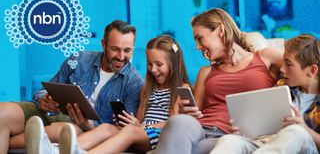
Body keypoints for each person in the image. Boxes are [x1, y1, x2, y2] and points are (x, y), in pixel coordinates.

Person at [25, 35, 191, 154]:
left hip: (159, 135)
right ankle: (58, 150)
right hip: (140, 132)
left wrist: (141, 127)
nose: (153, 70)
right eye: (150, 64)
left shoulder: (181, 88)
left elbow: (175, 123)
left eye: (159, 64)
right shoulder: (147, 88)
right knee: (106, 128)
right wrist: (133, 122)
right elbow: (139, 119)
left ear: (174, 64)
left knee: (130, 132)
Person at [151, 8, 283, 154]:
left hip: (229, 136)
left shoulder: (266, 58)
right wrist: (184, 111)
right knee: (178, 121)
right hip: (199, 128)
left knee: (199, 149)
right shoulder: (206, 72)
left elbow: (301, 69)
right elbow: (195, 113)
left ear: (220, 30)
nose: (197, 47)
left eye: (199, 38)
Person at [0, 20, 144, 153]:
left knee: (64, 130)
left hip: (80, 129)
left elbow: (120, 131)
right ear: (103, 44)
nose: (120, 56)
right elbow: (45, 89)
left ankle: (13, 142)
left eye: (127, 50)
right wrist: (43, 99)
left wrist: (88, 125)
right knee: (3, 111)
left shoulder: (135, 83)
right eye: (115, 49)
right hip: (48, 113)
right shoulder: (79, 59)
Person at [210, 34, 320, 154]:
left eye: (288, 64)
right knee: (229, 140)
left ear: (312, 70)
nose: (282, 69)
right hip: (267, 144)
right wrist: (244, 129)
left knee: (296, 132)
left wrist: (304, 129)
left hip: (304, 147)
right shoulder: (282, 88)